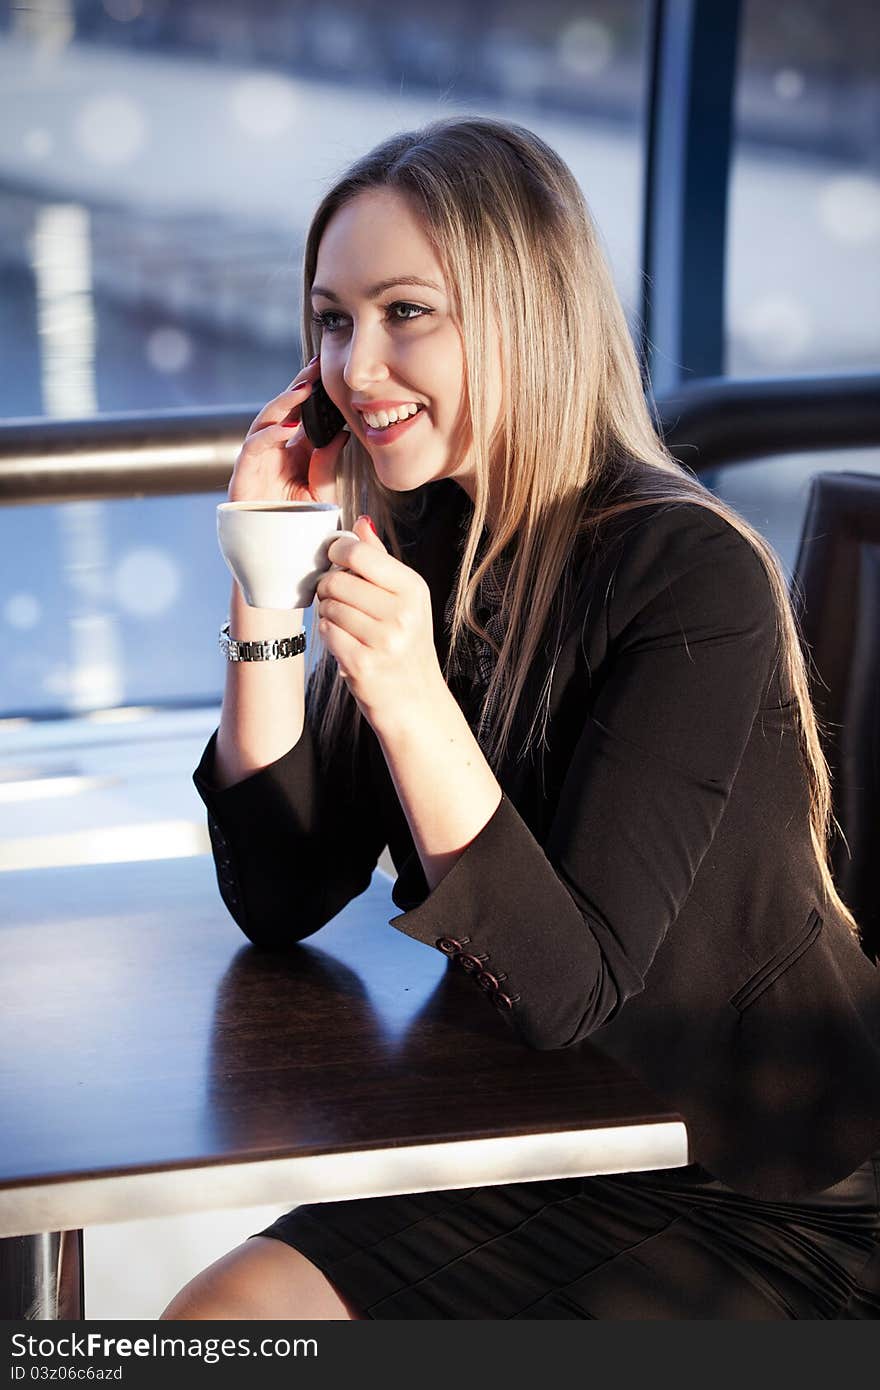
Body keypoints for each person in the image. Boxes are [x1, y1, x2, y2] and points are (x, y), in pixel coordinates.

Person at [160, 117, 880, 1320]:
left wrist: (408, 697)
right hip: (527, 1128)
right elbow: (277, 892)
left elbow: (567, 985)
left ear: (520, 315)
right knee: (210, 1331)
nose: (354, 366)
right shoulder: (431, 538)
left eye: (406, 313)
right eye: (333, 320)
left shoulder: (688, 571)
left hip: (762, 1184)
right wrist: (264, 575)